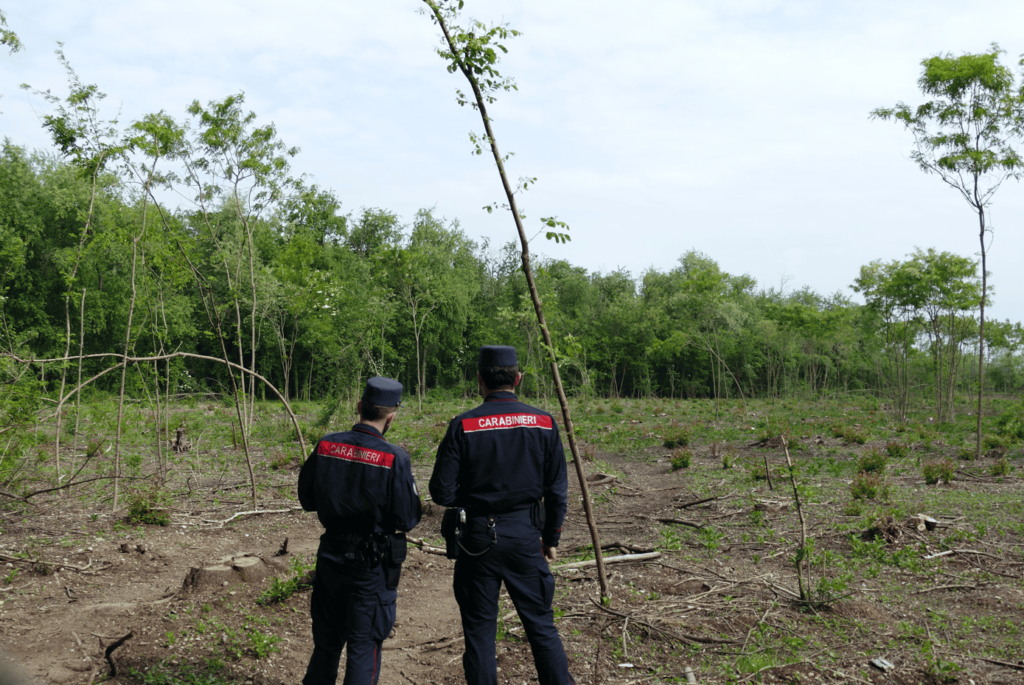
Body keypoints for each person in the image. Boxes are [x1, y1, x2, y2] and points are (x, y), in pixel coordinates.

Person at [429, 345, 576, 685]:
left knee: (480, 632)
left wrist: (474, 495)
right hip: (526, 535)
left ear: (479, 380)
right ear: (518, 379)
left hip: (477, 537)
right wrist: (550, 538)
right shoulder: (543, 422)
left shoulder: (463, 425)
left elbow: (442, 493)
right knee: (541, 625)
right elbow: (557, 490)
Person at [298, 376, 422, 685]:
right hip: (370, 569)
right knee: (363, 649)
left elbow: (307, 499)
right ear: (391, 415)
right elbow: (407, 518)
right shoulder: (395, 457)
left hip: (329, 560)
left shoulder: (326, 445)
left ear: (359, 406)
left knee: (325, 647)